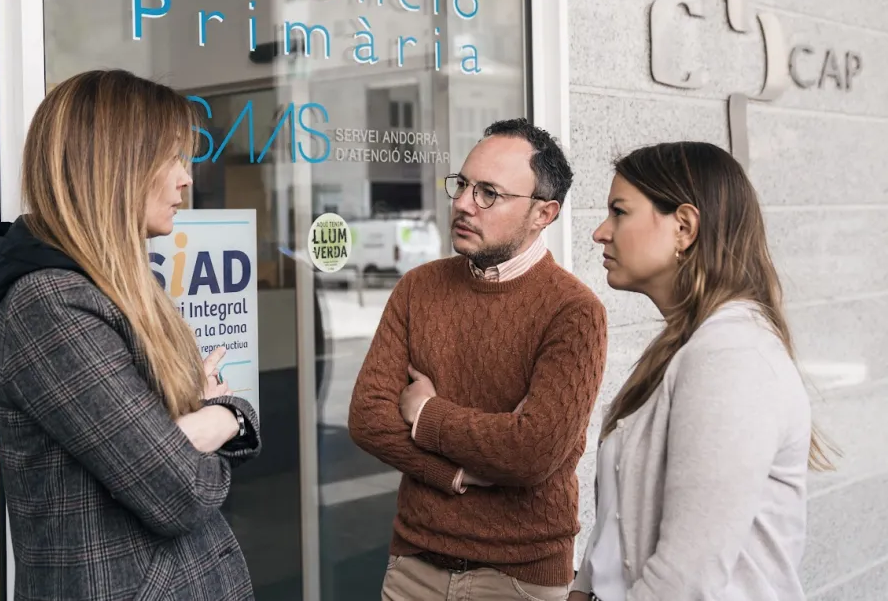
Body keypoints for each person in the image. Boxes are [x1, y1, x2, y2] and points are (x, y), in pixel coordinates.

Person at [0, 70, 261, 601]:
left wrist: (193, 431)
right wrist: (225, 414)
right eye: (173, 159)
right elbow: (179, 489)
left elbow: (168, 460)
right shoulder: (49, 307)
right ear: (116, 167)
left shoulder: (109, 286)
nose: (187, 179)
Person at [349, 118, 608, 601]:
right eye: (463, 184)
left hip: (519, 577)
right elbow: (367, 418)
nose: (464, 203)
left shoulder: (574, 311)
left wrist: (426, 414)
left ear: (543, 214)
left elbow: (530, 451)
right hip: (414, 564)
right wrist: (457, 473)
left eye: (489, 193)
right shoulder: (418, 287)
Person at [570, 141, 834, 601]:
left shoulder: (732, 355)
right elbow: (619, 529)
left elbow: (684, 580)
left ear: (684, 227)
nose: (600, 232)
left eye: (619, 212)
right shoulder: (687, 345)